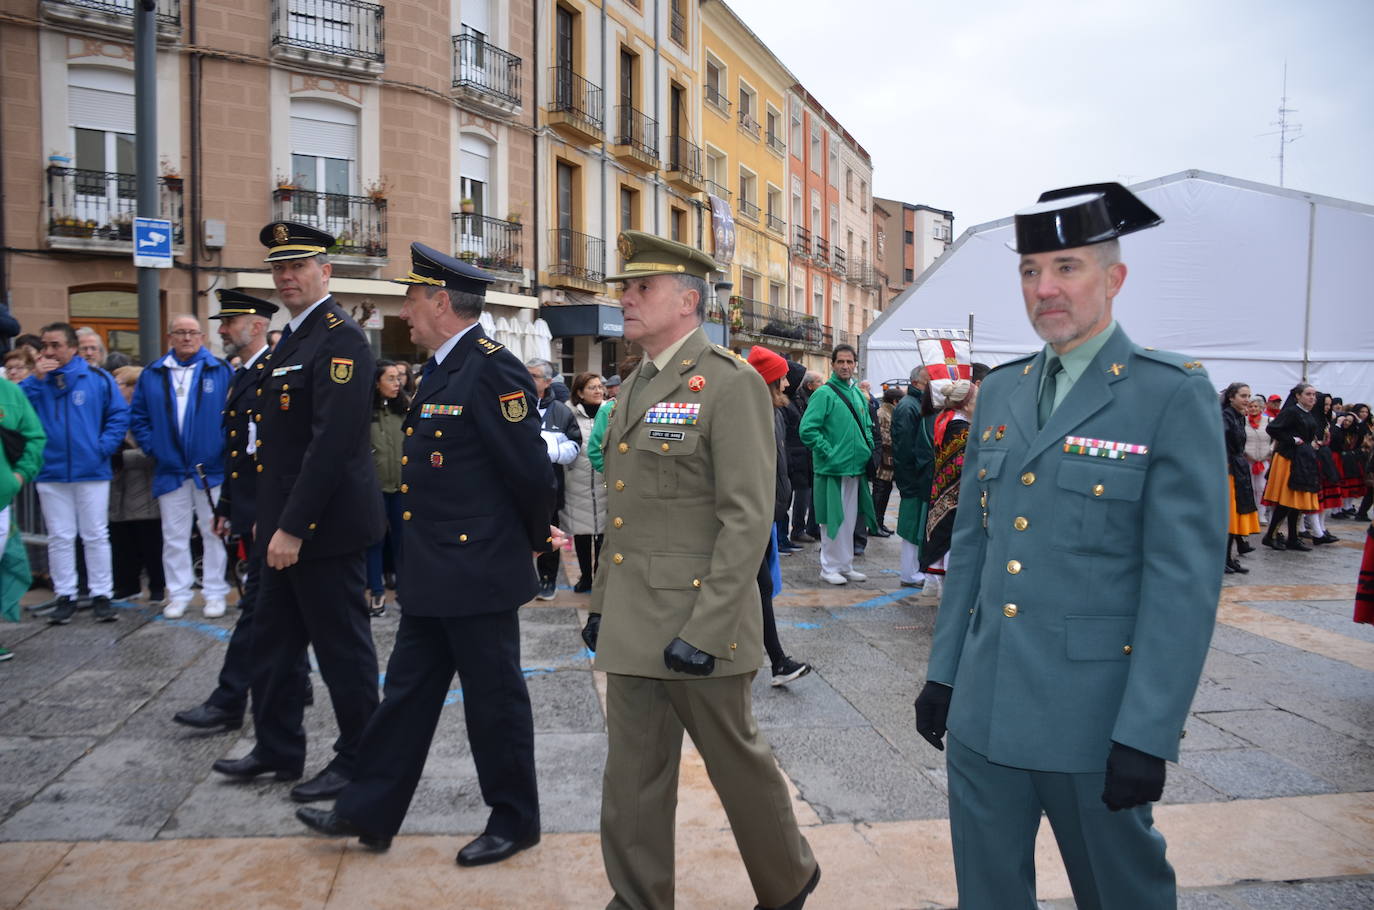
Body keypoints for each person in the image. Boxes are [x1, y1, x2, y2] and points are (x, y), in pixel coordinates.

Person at [914, 183, 1227, 910]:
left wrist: (1148, 731)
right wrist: (944, 675)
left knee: (1123, 894)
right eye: (1030, 271)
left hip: (1094, 720)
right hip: (985, 712)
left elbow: (1182, 583)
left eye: (1067, 267)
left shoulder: (1169, 394)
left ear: (1114, 279)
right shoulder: (1002, 391)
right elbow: (974, 547)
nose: (1045, 287)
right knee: (987, 897)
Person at [296, 242, 559, 867]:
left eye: (411, 301)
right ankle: (369, 812)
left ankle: (515, 820)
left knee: (494, 705)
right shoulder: (444, 367)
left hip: (478, 569)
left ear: (441, 302)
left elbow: (530, 476)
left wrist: (524, 546)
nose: (405, 313)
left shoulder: (492, 367)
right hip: (435, 569)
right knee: (405, 699)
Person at [582, 231, 820, 910]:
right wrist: (601, 604)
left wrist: (709, 628)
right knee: (631, 777)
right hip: (634, 621)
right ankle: (637, 898)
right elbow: (623, 514)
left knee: (735, 765)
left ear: (687, 300)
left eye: (640, 288)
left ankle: (789, 879)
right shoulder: (636, 383)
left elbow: (748, 518)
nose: (625, 299)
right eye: (624, 288)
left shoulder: (728, 382)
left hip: (698, 623)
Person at [211, 222, 384, 805]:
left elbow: (330, 446)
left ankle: (362, 759)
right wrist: (266, 517)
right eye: (279, 269)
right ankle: (278, 747)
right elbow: (277, 445)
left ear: (325, 271)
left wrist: (291, 526)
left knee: (343, 653)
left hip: (323, 531)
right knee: (273, 643)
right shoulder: (291, 338)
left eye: (298, 267)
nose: (287, 277)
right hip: (282, 524)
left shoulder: (342, 338)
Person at [175, 290, 312, 733]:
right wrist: (230, 505)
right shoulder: (243, 376)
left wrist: (262, 512)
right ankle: (294, 680)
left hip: (274, 514)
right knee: (279, 608)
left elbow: (281, 453)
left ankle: (229, 699)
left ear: (255, 327)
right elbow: (242, 451)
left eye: (228, 323)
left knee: (258, 610)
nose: (220, 331)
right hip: (256, 508)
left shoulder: (273, 373)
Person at [22, 322, 128, 624]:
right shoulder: (38, 381)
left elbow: (119, 415)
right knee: (60, 536)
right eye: (45, 345)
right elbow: (16, 407)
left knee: (95, 534)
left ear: (71, 348)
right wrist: (37, 379)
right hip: (52, 471)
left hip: (91, 469)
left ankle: (101, 593)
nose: (49, 351)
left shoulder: (96, 378)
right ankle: (65, 594)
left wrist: (102, 447)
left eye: (55, 345)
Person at [129, 315, 234, 619]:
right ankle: (178, 593)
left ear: (202, 336)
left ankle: (214, 592)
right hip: (170, 468)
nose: (187, 338)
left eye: (192, 332)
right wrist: (155, 448)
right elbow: (139, 418)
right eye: (180, 333)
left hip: (210, 467)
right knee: (173, 535)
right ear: (170, 337)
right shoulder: (153, 373)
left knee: (213, 532)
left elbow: (234, 415)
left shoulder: (220, 369)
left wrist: (220, 446)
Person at [747, 344, 813, 687]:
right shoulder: (750, 413)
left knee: (758, 586)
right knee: (760, 586)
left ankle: (776, 661)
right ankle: (777, 661)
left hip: (765, 512)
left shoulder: (771, 410)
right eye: (782, 378)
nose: (788, 384)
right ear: (769, 381)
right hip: (750, 515)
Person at [799, 344, 878, 585]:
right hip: (832, 469)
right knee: (832, 519)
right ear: (833, 364)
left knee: (850, 520)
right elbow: (807, 429)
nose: (845, 366)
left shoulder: (856, 393)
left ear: (855, 364)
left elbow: (866, 425)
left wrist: (868, 447)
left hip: (855, 468)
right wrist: (829, 452)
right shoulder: (824, 394)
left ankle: (844, 564)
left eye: (849, 362)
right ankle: (829, 567)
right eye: (840, 362)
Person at [109, 366, 166, 603]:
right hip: (120, 491)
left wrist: (122, 458)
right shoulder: (113, 413)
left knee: (151, 542)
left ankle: (157, 586)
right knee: (123, 541)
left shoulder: (148, 413)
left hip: (145, 489)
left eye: (119, 384)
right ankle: (127, 585)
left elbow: (156, 450)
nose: (114, 389)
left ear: (133, 387)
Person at [919, 371, 978, 594]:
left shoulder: (947, 419)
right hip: (955, 495)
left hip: (945, 492)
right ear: (965, 404)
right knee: (950, 538)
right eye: (976, 400)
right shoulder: (960, 428)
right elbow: (966, 463)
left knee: (946, 539)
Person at [527, 357, 580, 600]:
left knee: (548, 533)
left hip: (549, 486)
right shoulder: (511, 404)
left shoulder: (561, 411)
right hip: (516, 485)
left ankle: (548, 579)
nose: (527, 379)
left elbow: (575, 446)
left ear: (547, 382)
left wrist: (548, 451)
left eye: (534, 376)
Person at [366, 360, 408, 616]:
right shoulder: (362, 411)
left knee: (404, 541)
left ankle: (406, 591)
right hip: (374, 488)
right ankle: (376, 592)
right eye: (390, 378)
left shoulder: (404, 409)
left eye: (398, 378)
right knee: (374, 540)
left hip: (402, 487)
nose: (397, 383)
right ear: (376, 382)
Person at [1261, 383, 1322, 552]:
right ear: (1298, 396)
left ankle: (1293, 538)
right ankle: (1270, 535)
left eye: (1314, 395)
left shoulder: (1308, 413)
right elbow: (1272, 428)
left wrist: (1312, 443)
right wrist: (1292, 440)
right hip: (1289, 459)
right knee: (1287, 500)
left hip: (1303, 459)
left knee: (1297, 500)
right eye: (1308, 394)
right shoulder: (1291, 412)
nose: (1312, 397)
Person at [562, 371, 607, 593]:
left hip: (604, 480)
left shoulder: (610, 411)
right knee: (581, 532)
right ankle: (586, 576)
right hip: (576, 480)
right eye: (592, 387)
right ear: (579, 392)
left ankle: (600, 577)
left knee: (604, 533)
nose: (598, 391)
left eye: (600, 386)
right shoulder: (567, 413)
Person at [891, 366, 932, 589]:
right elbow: (905, 447)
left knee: (915, 525)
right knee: (911, 526)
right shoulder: (909, 406)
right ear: (917, 383)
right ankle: (910, 573)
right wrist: (910, 479)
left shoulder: (915, 404)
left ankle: (914, 571)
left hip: (916, 476)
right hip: (913, 477)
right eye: (928, 382)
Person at [1221, 383, 1259, 573]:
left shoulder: (1239, 417)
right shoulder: (1225, 416)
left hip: (1238, 468)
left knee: (1236, 514)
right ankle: (1224, 558)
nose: (1247, 399)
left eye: (1248, 395)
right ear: (1231, 397)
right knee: (1230, 515)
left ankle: (1229, 557)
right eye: (1243, 396)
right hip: (1228, 469)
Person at [870, 386, 902, 536]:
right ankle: (874, 525)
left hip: (888, 461)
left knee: (885, 491)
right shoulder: (883, 414)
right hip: (883, 461)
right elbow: (883, 438)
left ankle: (880, 523)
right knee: (879, 491)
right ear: (895, 401)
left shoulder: (889, 412)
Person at [1244, 396, 1272, 524]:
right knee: (1250, 487)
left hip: (1264, 458)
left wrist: (1270, 451)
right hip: (1247, 459)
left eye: (1256, 406)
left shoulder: (1269, 421)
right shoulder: (1242, 421)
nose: (1253, 408)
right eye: (1250, 406)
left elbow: (1276, 438)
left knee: (1261, 487)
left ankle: (1261, 514)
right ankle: (1251, 514)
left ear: (1261, 408)